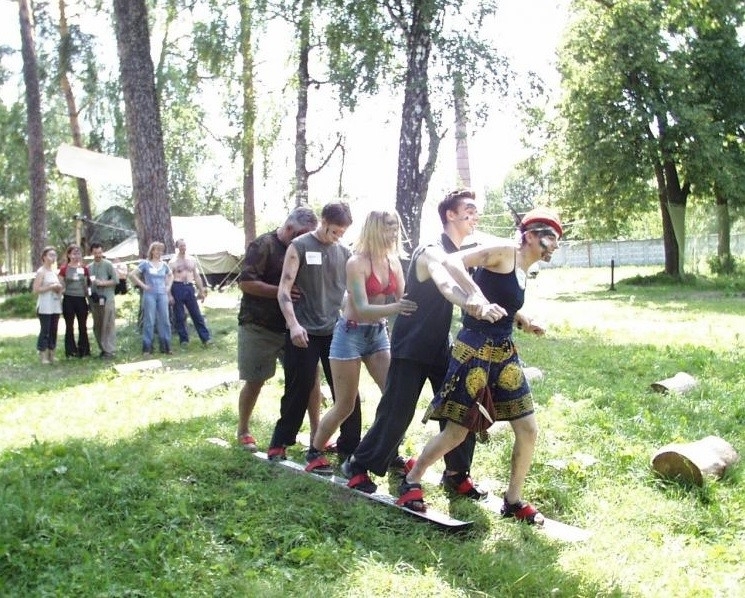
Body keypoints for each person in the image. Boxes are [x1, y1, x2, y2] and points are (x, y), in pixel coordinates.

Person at [396, 207, 563, 523]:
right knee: (457, 432)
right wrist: (475, 297)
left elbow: (501, 298)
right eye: (551, 237)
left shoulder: (523, 267)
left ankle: (513, 500)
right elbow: (452, 261)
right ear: (530, 235)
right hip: (474, 349)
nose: (555, 244)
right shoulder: (504, 251)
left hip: (504, 352)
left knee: (528, 428)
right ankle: (412, 479)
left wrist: (523, 319)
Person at [341, 189, 504, 497]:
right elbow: (446, 282)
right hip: (412, 343)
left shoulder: (462, 252)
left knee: (459, 409)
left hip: (441, 345)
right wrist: (473, 301)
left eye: (476, 210)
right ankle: (358, 464)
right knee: (397, 411)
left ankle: (456, 474)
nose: (475, 215)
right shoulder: (431, 250)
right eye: (468, 210)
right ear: (450, 215)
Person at [305, 210, 418, 473]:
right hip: (350, 334)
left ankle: (387, 452)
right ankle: (315, 452)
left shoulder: (393, 261)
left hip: (378, 334)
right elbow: (363, 308)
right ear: (374, 229)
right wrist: (398, 308)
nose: (393, 233)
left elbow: (405, 297)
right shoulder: (356, 262)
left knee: (394, 398)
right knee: (345, 405)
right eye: (388, 227)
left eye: (395, 228)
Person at [266, 202, 362, 461]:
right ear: (324, 221)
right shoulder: (299, 246)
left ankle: (350, 444)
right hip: (303, 331)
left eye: (342, 232)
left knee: (347, 392)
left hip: (336, 332)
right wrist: (293, 325)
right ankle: (280, 441)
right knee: (299, 388)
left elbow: (350, 293)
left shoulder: (345, 252)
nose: (338, 236)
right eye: (334, 231)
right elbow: (284, 290)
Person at [236, 206, 321, 451]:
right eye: (303, 234)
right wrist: (281, 292)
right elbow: (246, 283)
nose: (308, 238)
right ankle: (243, 430)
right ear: (290, 228)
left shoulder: (308, 247)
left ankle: (317, 433)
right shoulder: (263, 245)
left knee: (310, 380)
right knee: (255, 380)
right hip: (259, 326)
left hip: (296, 326)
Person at [130, 241, 173, 356]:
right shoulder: (146, 264)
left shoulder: (164, 265)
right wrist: (143, 286)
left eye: (161, 250)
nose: (159, 252)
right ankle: (147, 348)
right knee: (149, 320)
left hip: (162, 294)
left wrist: (168, 286)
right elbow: (132, 274)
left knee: (165, 320)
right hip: (150, 295)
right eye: (157, 250)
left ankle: (166, 346)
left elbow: (171, 275)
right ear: (152, 251)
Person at [169, 239, 212, 347]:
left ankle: (206, 338)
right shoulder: (173, 262)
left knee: (196, 313)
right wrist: (169, 294)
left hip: (189, 287)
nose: (183, 248)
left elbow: (196, 276)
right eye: (181, 246)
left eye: (184, 245)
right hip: (177, 286)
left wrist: (201, 290)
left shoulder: (191, 260)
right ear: (177, 247)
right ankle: (184, 340)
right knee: (180, 315)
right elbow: (168, 278)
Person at [58, 244, 91, 358]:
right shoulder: (64, 269)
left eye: (78, 253)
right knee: (69, 326)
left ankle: (84, 350)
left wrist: (89, 299)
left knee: (83, 325)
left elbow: (86, 285)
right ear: (69, 255)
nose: (76, 256)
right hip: (69, 299)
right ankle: (71, 351)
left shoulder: (84, 269)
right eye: (74, 254)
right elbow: (61, 285)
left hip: (81, 299)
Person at [32, 246, 64, 364]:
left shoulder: (54, 272)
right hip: (45, 305)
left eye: (54, 255)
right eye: (50, 255)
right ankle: (43, 355)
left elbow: (58, 287)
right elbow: (36, 289)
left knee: (53, 330)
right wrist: (50, 287)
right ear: (44, 257)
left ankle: (52, 354)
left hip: (55, 304)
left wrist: (59, 288)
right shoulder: (41, 271)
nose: (53, 257)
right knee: (45, 330)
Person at [88, 243, 118, 359]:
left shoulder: (108, 264)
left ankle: (110, 350)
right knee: (98, 325)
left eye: (100, 252)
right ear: (92, 253)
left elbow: (115, 280)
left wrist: (103, 283)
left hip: (107, 298)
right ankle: (102, 349)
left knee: (108, 324)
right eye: (96, 253)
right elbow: (87, 283)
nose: (98, 255)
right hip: (95, 300)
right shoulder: (89, 267)